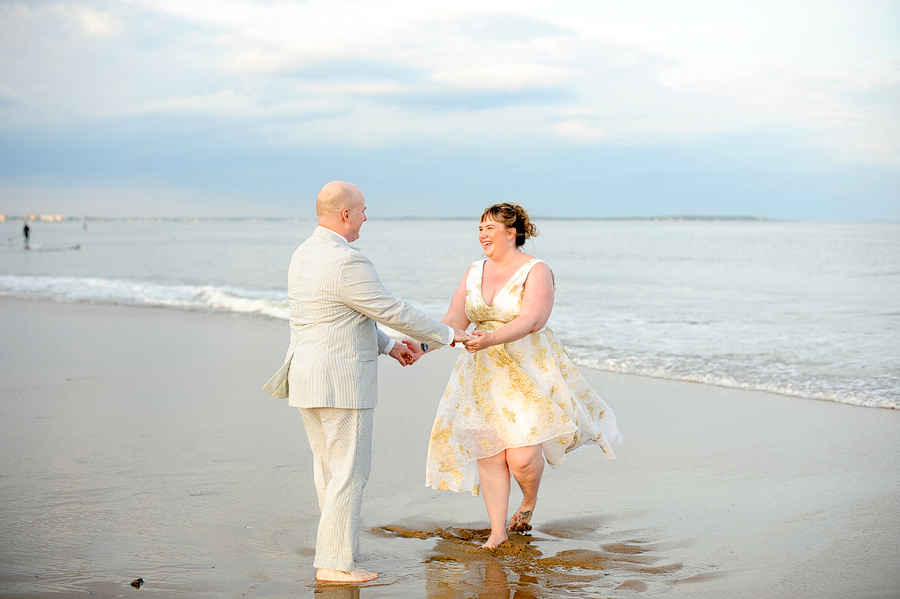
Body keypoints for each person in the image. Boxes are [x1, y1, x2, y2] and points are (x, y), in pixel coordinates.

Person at [404, 202, 623, 549]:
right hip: (483, 374)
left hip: (528, 371)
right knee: (490, 453)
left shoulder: (536, 270)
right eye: (479, 228)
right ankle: (497, 531)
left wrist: (492, 337)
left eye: (490, 228)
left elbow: (533, 319)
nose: (482, 235)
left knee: (521, 456)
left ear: (512, 233)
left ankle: (529, 501)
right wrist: (421, 346)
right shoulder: (474, 271)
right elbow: (454, 322)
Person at [282, 181, 470, 583]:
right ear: (346, 214)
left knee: (329, 470)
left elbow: (341, 315)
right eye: (364, 210)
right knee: (349, 472)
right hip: (341, 381)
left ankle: (337, 550)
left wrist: (387, 347)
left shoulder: (304, 253)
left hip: (307, 377)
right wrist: (450, 335)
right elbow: (389, 308)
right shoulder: (347, 260)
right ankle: (334, 565)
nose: (367, 217)